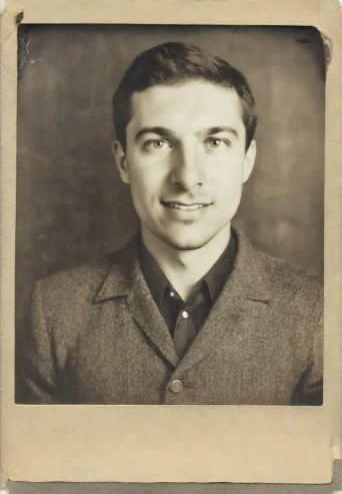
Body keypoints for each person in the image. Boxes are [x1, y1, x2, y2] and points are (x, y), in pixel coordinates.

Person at [16, 42, 323, 406]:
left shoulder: (318, 310)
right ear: (123, 162)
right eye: (159, 142)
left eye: (215, 141)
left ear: (247, 159)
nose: (188, 177)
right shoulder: (52, 311)